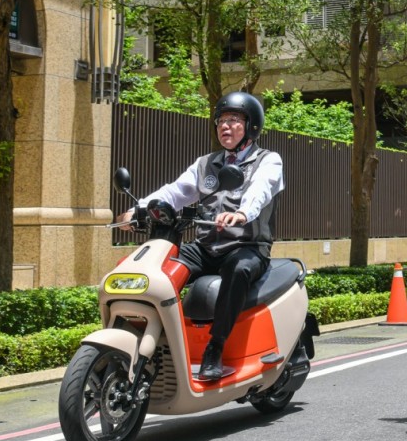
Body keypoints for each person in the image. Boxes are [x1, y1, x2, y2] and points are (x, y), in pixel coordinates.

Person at [116, 92, 284, 381]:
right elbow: (175, 192)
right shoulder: (207, 163)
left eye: (234, 120)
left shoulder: (268, 161)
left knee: (239, 269)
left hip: (247, 246)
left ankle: (215, 348)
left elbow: (260, 190)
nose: (225, 126)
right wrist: (138, 210)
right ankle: (146, 340)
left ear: (251, 126)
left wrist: (242, 213)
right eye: (221, 120)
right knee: (162, 269)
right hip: (207, 247)